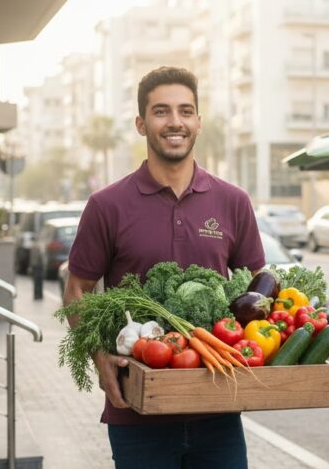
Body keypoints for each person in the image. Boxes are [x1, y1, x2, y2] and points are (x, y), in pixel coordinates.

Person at [63, 66, 264, 468]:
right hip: (137, 411)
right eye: (161, 111)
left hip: (218, 410)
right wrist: (99, 353)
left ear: (199, 122)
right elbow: (78, 289)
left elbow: (258, 293)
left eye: (186, 111)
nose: (175, 122)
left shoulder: (233, 201)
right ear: (141, 123)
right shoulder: (107, 205)